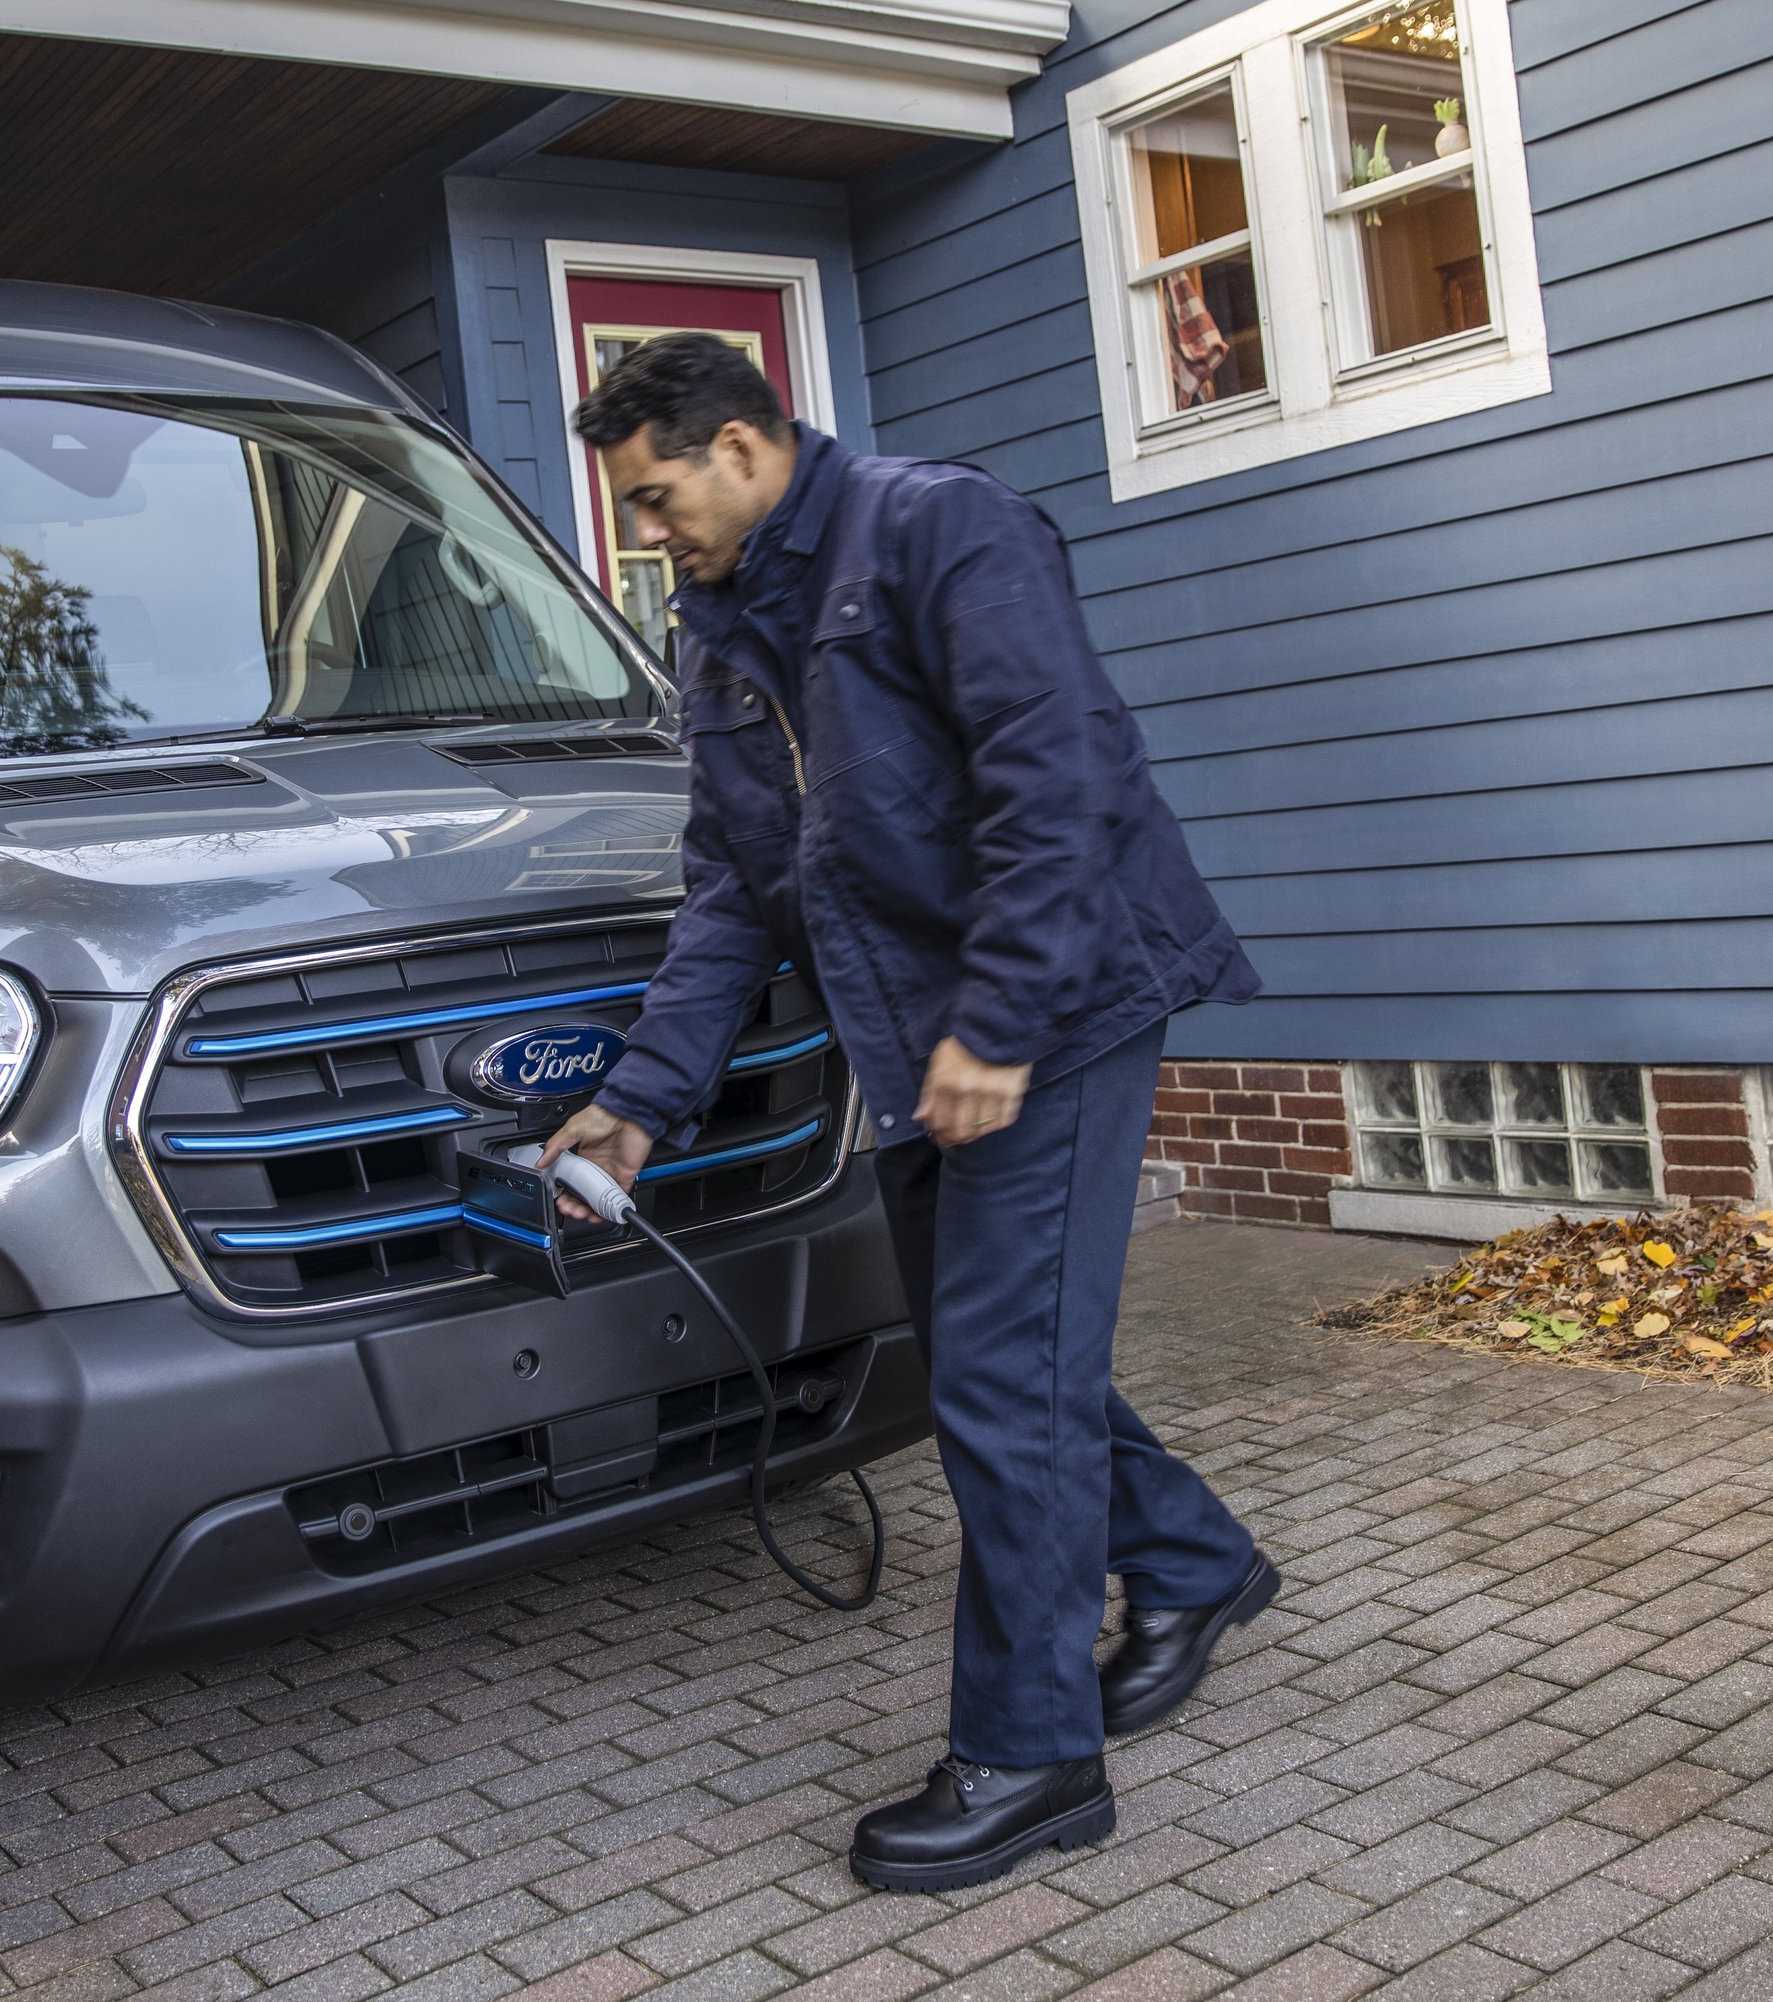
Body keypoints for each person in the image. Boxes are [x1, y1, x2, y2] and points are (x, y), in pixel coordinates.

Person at [540, 334, 1275, 1894]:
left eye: (659, 498)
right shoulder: (724, 628)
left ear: (742, 446)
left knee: (1010, 1385)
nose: (648, 532)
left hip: (1057, 1009)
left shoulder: (942, 530)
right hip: (921, 1040)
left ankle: (1031, 1757)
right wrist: (636, 1106)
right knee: (988, 1369)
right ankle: (1198, 1562)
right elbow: (736, 890)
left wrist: (1000, 1023)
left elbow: (1055, 779)